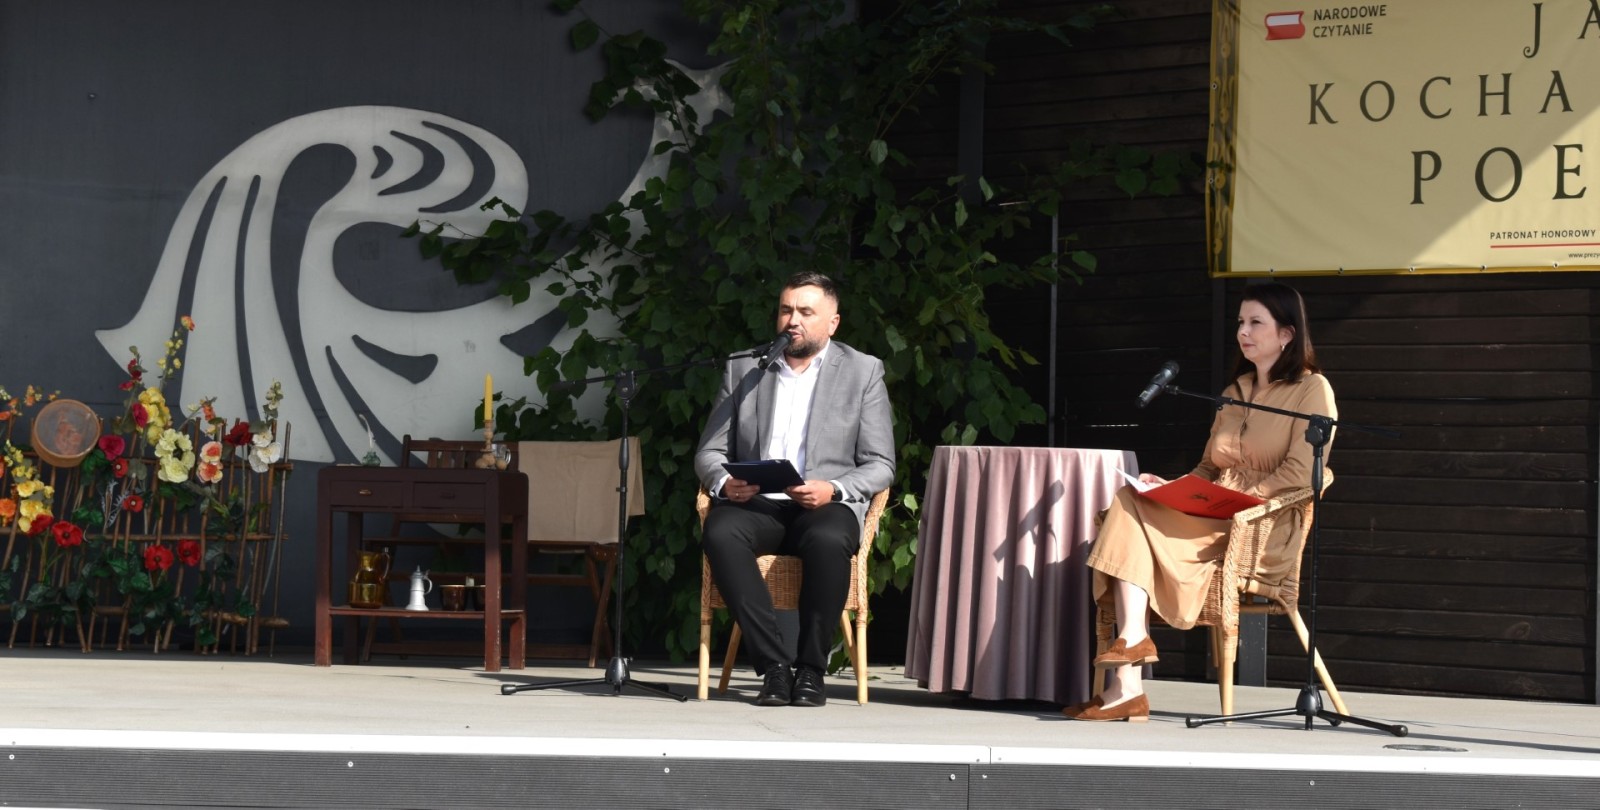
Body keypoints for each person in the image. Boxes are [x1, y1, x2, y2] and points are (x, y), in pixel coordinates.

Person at [1063, 282, 1335, 722]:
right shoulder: (1235, 391)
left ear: (1287, 334)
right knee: (1131, 500)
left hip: (1261, 527)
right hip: (1212, 513)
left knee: (1131, 522)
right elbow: (1209, 467)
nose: (1243, 332)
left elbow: (1302, 472)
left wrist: (1240, 500)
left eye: (1256, 323)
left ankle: (1126, 684)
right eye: (1240, 322)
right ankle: (1130, 660)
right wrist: (1171, 486)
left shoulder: (1312, 389)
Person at [695, 271, 895, 707]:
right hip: (758, 504)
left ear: (833, 322)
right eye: (786, 310)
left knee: (828, 538)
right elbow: (709, 451)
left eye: (806, 312)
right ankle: (774, 667)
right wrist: (725, 482)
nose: (793, 320)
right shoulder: (745, 367)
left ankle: (810, 671)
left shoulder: (862, 371)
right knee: (720, 532)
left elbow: (881, 464)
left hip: (824, 504)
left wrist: (834, 489)